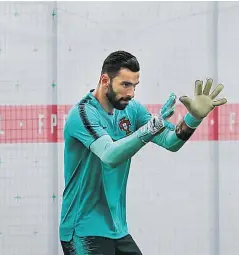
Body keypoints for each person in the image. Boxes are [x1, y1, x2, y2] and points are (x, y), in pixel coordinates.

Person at [59, 50, 227, 255]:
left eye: (135, 85)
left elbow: (170, 141)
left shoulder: (132, 109)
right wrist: (149, 129)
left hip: (117, 229)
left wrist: (193, 119)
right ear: (105, 80)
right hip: (82, 229)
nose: (131, 93)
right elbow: (109, 155)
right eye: (125, 85)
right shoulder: (83, 113)